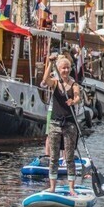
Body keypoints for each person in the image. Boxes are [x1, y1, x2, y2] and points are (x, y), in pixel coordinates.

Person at [42, 54, 83, 195]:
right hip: (55, 123)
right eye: (63, 68)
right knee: (53, 158)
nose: (65, 70)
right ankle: (52, 187)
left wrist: (74, 101)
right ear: (59, 69)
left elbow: (77, 96)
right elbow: (44, 80)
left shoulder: (74, 84)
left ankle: (71, 187)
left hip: (69, 124)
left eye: (67, 68)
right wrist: (50, 64)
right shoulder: (55, 83)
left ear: (70, 69)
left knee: (69, 157)